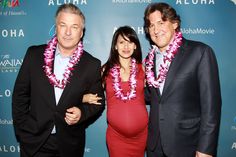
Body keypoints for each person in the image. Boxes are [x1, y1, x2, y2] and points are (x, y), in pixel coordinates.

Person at [12, 3, 105, 157]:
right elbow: (19, 96)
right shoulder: (34, 55)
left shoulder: (91, 64)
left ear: (81, 32)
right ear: (56, 28)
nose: (68, 32)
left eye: (74, 27)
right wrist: (23, 131)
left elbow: (99, 101)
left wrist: (82, 113)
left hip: (69, 145)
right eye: (63, 25)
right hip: (34, 143)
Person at [143, 2, 222, 157]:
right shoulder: (149, 60)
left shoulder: (200, 52)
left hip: (186, 145)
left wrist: (206, 148)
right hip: (154, 146)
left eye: (161, 22)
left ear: (175, 24)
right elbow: (154, 97)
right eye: (151, 25)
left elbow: (211, 105)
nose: (155, 29)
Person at [83, 26, 148, 157]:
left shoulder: (144, 69)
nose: (126, 46)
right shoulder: (105, 70)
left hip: (141, 136)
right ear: (115, 46)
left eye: (130, 42)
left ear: (135, 46)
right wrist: (84, 98)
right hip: (117, 138)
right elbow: (81, 92)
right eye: (121, 42)